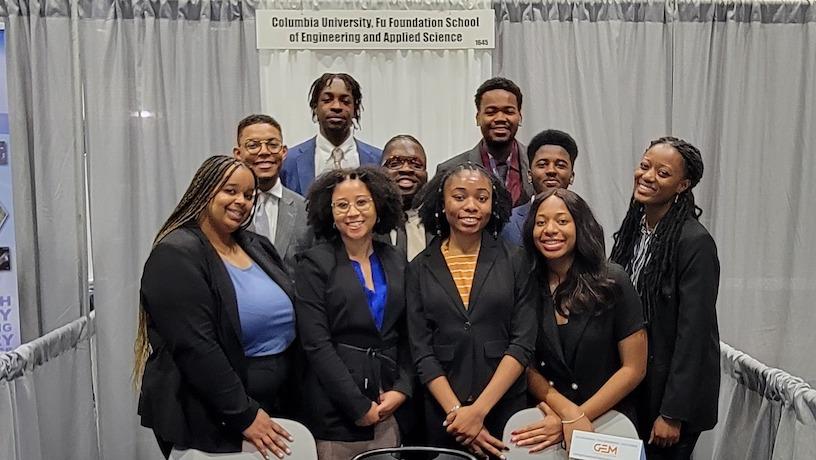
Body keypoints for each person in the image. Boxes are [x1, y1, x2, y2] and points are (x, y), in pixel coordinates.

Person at [136, 156, 298, 459]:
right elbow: (196, 347)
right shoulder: (175, 253)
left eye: (249, 195)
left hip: (270, 404)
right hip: (212, 414)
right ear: (205, 190)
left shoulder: (256, 244)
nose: (241, 201)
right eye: (230, 191)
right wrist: (244, 414)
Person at [407, 162, 536, 458]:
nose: (471, 206)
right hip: (444, 416)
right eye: (460, 196)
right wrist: (458, 414)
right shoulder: (419, 268)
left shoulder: (515, 260)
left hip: (504, 408)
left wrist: (477, 412)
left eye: (481, 197)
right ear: (442, 202)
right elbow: (421, 350)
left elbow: (522, 342)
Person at [509, 189, 647, 453]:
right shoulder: (524, 284)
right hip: (546, 421)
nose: (550, 230)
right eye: (541, 222)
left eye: (562, 221)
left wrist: (578, 417)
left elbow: (634, 368)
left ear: (580, 227)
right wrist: (565, 413)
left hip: (610, 421)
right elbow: (523, 363)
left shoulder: (613, 280)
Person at [610, 136, 720, 460]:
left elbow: (694, 335)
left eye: (662, 173)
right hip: (638, 389)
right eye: (645, 166)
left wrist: (672, 413)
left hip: (670, 402)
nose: (647, 176)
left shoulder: (694, 243)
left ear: (682, 185)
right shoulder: (634, 228)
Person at [294, 166, 413, 459]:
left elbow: (410, 333)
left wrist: (403, 388)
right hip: (335, 409)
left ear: (378, 206)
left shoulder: (396, 260)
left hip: (389, 404)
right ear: (329, 213)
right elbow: (315, 343)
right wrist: (357, 405)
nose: (353, 212)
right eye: (342, 205)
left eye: (362, 202)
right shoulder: (313, 264)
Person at [436, 77, 534, 207]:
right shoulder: (449, 170)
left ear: (520, 117)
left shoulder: (539, 164)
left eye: (508, 111)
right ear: (477, 118)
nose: (500, 118)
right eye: (491, 112)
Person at [233, 114, 311, 272]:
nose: (264, 152)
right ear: (238, 154)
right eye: (253, 145)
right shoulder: (226, 208)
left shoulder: (306, 210)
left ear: (283, 152)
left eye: (272, 144)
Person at [281, 73, 382, 195]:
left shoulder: (378, 160)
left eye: (345, 101)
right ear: (315, 108)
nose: (336, 106)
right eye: (327, 100)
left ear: (355, 109)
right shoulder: (289, 162)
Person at [502, 129, 578, 246]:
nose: (551, 171)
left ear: (571, 176)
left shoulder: (586, 223)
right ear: (529, 175)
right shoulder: (508, 224)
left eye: (560, 165)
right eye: (542, 165)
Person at [380, 134, 430, 261]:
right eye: (395, 163)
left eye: (416, 165)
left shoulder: (440, 224)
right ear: (380, 172)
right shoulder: (367, 224)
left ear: (426, 175)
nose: (406, 169)